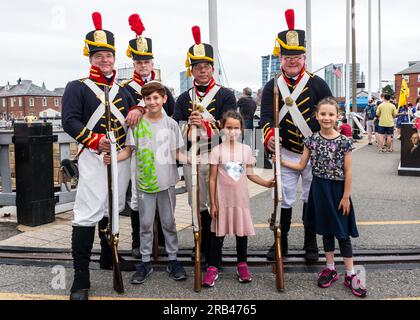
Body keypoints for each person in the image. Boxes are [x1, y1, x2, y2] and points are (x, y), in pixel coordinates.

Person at [61, 12, 144, 300]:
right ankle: (80, 277)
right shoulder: (78, 86)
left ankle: (110, 257)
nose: (105, 60)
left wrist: (138, 109)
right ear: (90, 58)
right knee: (87, 213)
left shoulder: (124, 89)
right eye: (98, 56)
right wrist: (95, 140)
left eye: (108, 55)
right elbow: (69, 122)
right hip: (94, 158)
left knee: (114, 207)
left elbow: (139, 110)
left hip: (120, 158)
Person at [261, 9, 333, 262]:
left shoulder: (317, 83)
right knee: (282, 198)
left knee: (311, 197)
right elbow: (267, 116)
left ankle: (310, 243)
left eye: (297, 56)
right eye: (287, 56)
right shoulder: (272, 86)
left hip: (312, 151)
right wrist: (269, 135)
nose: (292, 60)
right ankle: (280, 241)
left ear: (304, 57)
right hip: (286, 152)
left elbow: (330, 112)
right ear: (280, 57)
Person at [281, 97, 367, 298]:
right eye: (323, 114)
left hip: (338, 190)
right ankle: (330, 268)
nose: (327, 118)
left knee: (342, 233)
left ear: (337, 116)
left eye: (331, 114)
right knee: (327, 232)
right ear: (317, 116)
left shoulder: (345, 141)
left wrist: (346, 196)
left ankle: (350, 273)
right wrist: (282, 161)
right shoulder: (311, 140)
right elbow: (301, 165)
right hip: (319, 190)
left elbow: (349, 171)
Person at [173, 26, 236, 261]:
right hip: (193, 157)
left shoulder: (225, 95)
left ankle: (214, 251)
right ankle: (200, 241)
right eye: (198, 67)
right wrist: (188, 126)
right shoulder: (183, 98)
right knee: (196, 203)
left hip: (217, 156)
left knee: (216, 202)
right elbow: (175, 130)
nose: (202, 70)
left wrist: (207, 125)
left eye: (206, 66)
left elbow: (232, 128)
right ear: (191, 70)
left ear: (212, 68)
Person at [122, 13, 175, 259]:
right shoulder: (124, 90)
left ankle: (164, 242)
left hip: (161, 147)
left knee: (164, 198)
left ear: (152, 63)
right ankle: (137, 242)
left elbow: (171, 113)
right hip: (137, 147)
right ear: (133, 64)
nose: (143, 65)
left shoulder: (162, 89)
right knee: (137, 199)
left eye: (147, 62)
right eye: (139, 62)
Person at [202, 110, 274, 287]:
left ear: (242, 129)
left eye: (236, 128)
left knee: (241, 234)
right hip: (222, 200)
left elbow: (250, 174)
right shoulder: (217, 151)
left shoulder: (246, 150)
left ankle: (242, 264)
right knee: (217, 235)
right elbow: (212, 178)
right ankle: (213, 266)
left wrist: (266, 183)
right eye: (228, 127)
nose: (232, 131)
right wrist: (212, 203)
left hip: (240, 200)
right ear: (221, 128)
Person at [129, 81, 190, 284]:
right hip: (145, 182)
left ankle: (173, 259)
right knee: (145, 224)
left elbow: (177, 153)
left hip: (167, 181)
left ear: (164, 99)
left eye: (156, 98)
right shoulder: (137, 124)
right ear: (144, 101)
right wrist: (113, 156)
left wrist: (193, 159)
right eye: (148, 98)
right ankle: (145, 261)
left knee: (169, 222)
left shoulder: (171, 124)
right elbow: (129, 151)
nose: (152, 102)